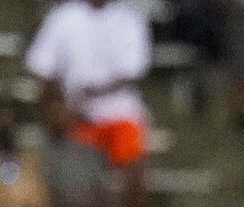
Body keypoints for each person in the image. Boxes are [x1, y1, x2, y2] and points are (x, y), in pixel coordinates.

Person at [27, 0, 153, 168]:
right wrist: (59, 104)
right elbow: (41, 66)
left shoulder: (129, 18)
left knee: (133, 160)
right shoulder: (64, 16)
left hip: (119, 110)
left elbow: (134, 70)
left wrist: (92, 92)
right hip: (74, 112)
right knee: (73, 168)